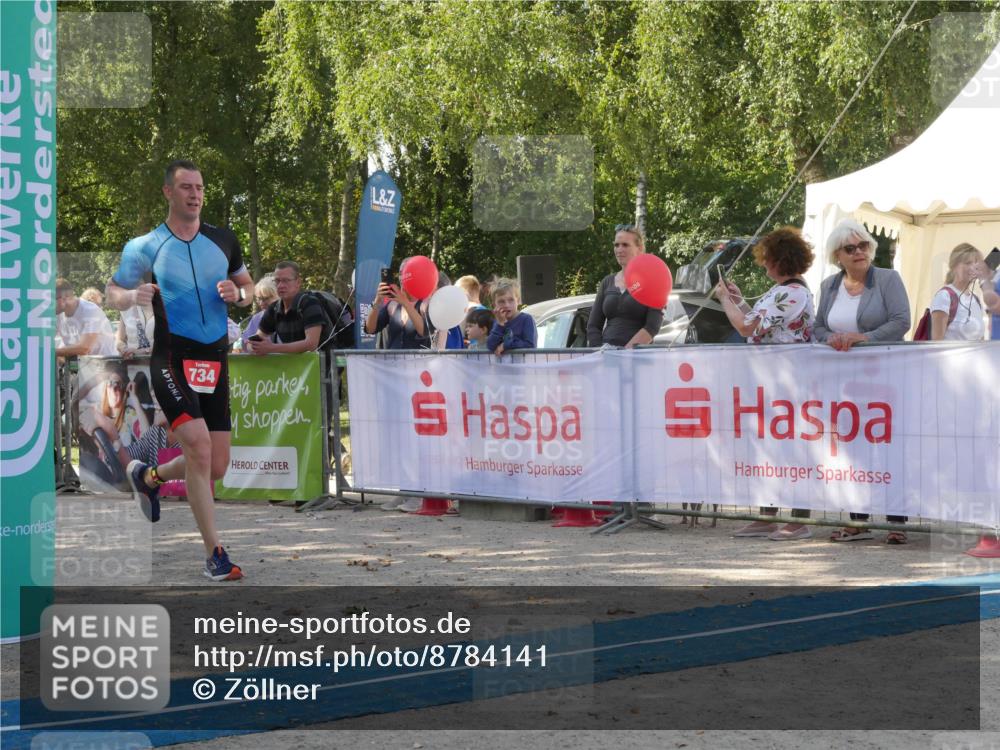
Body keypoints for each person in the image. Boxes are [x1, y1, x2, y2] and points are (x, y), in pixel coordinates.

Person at [105, 159, 254, 581]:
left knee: (216, 464)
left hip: (215, 358)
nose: (195, 194)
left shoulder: (223, 241)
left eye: (200, 187)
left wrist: (237, 293)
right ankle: (215, 555)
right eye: (186, 187)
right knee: (200, 448)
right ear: (168, 192)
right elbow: (113, 292)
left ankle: (148, 477)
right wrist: (133, 294)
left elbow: (247, 289)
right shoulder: (144, 246)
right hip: (171, 358)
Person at [813, 219, 911, 543]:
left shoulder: (887, 279)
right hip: (845, 383)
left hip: (886, 378)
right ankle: (858, 520)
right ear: (836, 256)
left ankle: (898, 522)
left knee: (889, 449)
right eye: (850, 248)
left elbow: (901, 322)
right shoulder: (829, 286)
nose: (859, 252)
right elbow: (818, 328)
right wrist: (834, 339)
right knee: (854, 450)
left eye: (864, 245)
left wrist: (862, 338)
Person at [716, 227, 815, 541]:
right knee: (771, 451)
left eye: (766, 259)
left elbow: (747, 328)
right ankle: (767, 516)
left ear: (778, 260)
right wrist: (739, 300)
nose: (763, 264)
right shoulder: (781, 292)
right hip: (772, 380)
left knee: (793, 451)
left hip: (787, 380)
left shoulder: (793, 293)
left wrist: (724, 301)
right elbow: (759, 323)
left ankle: (799, 520)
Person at [587, 224, 664, 348]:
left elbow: (652, 327)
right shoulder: (607, 282)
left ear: (639, 248)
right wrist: (598, 351)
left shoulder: (652, 282)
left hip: (638, 359)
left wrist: (624, 354)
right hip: (606, 357)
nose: (619, 249)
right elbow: (593, 325)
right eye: (616, 245)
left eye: (625, 245)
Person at [250, 261, 329, 355]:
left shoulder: (310, 304)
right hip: (293, 368)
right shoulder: (274, 309)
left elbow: (311, 344)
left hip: (322, 367)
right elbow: (258, 337)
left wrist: (272, 348)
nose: (280, 286)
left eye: (286, 280)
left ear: (298, 282)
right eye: (277, 281)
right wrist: (252, 345)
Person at [363, 260, 430, 349]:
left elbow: (424, 332)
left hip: (418, 362)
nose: (403, 277)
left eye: (407, 272)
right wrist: (377, 300)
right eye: (401, 273)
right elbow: (370, 329)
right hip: (392, 361)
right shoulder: (392, 304)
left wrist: (405, 303)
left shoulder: (425, 304)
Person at [930, 243, 988, 341]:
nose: (974, 267)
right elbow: (936, 342)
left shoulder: (976, 299)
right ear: (954, 266)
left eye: (976, 263)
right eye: (968, 263)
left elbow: (980, 339)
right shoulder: (945, 296)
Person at [55, 279, 117, 358]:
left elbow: (84, 348)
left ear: (63, 299)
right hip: (82, 366)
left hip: (106, 366)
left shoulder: (90, 310)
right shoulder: (58, 315)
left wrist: (52, 352)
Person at [487, 278, 536, 354]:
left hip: (523, 365)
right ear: (494, 305)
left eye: (511, 300)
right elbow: (491, 345)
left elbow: (529, 345)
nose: (507, 305)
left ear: (518, 301)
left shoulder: (526, 319)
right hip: (502, 365)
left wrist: (505, 345)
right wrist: (500, 324)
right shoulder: (498, 321)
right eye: (501, 301)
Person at [240, 274, 277, 350]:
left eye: (266, 298)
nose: (261, 303)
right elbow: (246, 345)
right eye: (259, 299)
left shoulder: (294, 315)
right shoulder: (257, 318)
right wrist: (251, 347)